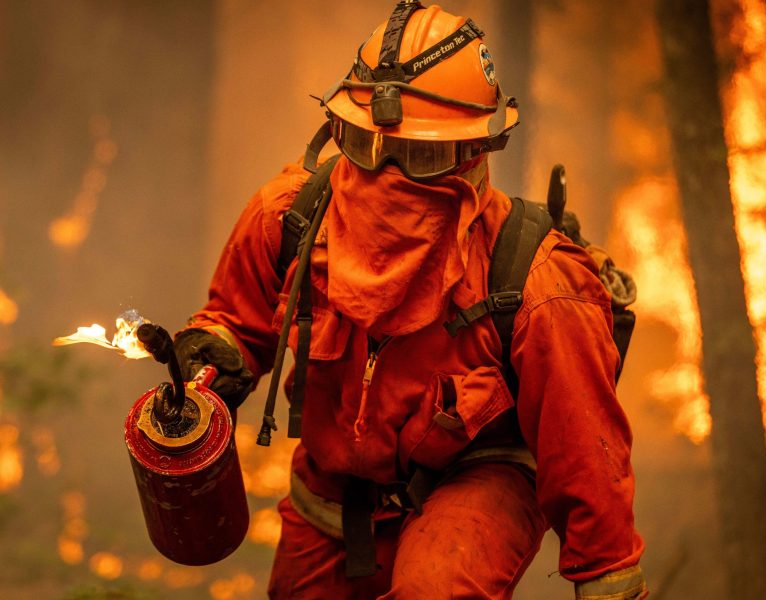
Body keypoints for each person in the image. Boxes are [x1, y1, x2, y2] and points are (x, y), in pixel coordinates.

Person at [174, 2, 647, 598]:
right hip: (332, 490)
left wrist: (608, 577)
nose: (386, 174)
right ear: (338, 132)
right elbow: (234, 322)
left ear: (474, 152)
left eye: (419, 156)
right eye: (366, 145)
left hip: (479, 478)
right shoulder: (288, 218)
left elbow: (585, 452)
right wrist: (211, 359)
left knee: (435, 590)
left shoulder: (540, 283)